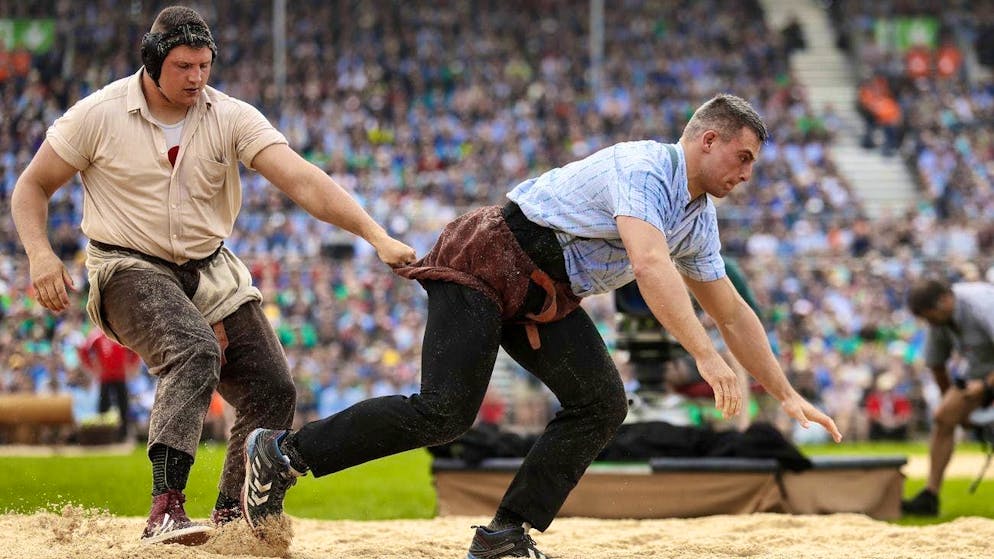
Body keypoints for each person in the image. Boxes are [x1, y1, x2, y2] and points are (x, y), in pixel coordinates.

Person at [240, 93, 842, 558]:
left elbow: (732, 311)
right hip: (485, 258)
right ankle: (283, 452)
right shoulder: (644, 168)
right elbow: (649, 265)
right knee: (445, 412)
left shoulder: (697, 217)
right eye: (744, 158)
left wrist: (785, 393)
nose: (747, 173)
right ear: (708, 140)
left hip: (544, 291)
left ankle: (505, 533)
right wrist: (707, 357)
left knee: (602, 403)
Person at [10, 5, 415, 546]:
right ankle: (165, 508)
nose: (196, 78)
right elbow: (31, 186)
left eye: (204, 66)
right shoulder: (97, 114)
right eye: (183, 66)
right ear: (152, 61)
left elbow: (302, 180)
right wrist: (40, 254)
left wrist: (375, 235)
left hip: (209, 268)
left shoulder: (231, 116)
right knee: (194, 350)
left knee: (273, 386)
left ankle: (232, 517)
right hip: (126, 263)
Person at [902, 278, 994, 516]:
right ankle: (930, 497)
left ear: (944, 300)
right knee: (943, 416)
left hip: (985, 377)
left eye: (929, 316)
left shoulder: (983, 305)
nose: (929, 322)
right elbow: (937, 365)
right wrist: (957, 409)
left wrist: (985, 386)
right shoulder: (938, 319)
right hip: (981, 372)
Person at [77, 329, 142, 442]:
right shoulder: (97, 335)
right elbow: (83, 350)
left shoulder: (120, 333)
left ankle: (123, 434)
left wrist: (132, 366)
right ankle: (103, 435)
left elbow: (136, 349)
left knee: (123, 406)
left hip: (120, 376)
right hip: (105, 377)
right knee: (104, 406)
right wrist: (91, 368)